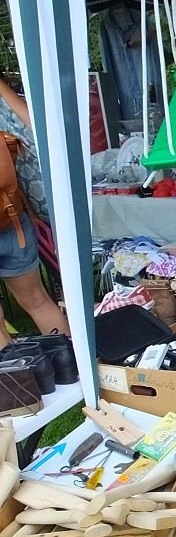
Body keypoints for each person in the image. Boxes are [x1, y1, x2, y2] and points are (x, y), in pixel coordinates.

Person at [0, 75, 70, 348]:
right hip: (11, 218)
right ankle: (74, 371)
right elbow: (37, 129)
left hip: (12, 220)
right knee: (38, 301)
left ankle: (18, 386)